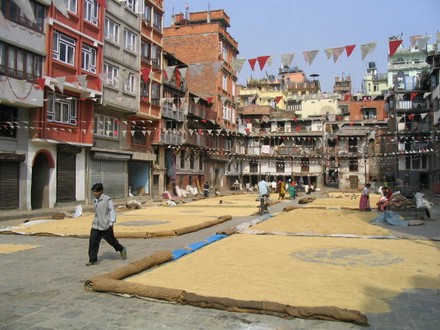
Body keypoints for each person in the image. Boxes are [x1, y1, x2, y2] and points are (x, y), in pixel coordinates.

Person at [87, 183, 127, 266]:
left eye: (96, 192)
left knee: (112, 241)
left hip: (105, 225)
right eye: (94, 192)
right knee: (93, 242)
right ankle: (92, 259)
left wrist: (111, 222)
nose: (94, 193)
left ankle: (122, 249)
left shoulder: (107, 200)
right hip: (96, 225)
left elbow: (112, 211)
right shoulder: (95, 200)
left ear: (101, 191)